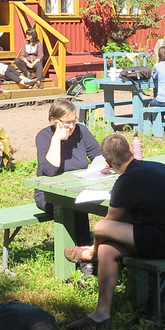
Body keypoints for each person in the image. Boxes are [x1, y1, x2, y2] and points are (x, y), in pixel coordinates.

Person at [63, 133, 165, 329]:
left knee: (100, 227)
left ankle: (90, 254)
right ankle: (101, 314)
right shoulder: (159, 166)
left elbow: (107, 226)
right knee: (107, 250)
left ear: (108, 163)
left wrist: (92, 248)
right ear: (131, 150)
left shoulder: (126, 182)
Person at [35, 99, 103, 249]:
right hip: (49, 194)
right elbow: (50, 170)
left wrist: (104, 166)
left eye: (74, 121)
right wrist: (56, 139)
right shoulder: (44, 137)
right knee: (75, 205)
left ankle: (95, 247)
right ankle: (82, 252)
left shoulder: (81, 131)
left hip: (79, 189)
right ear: (53, 120)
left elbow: (98, 156)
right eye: (67, 122)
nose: (71, 126)